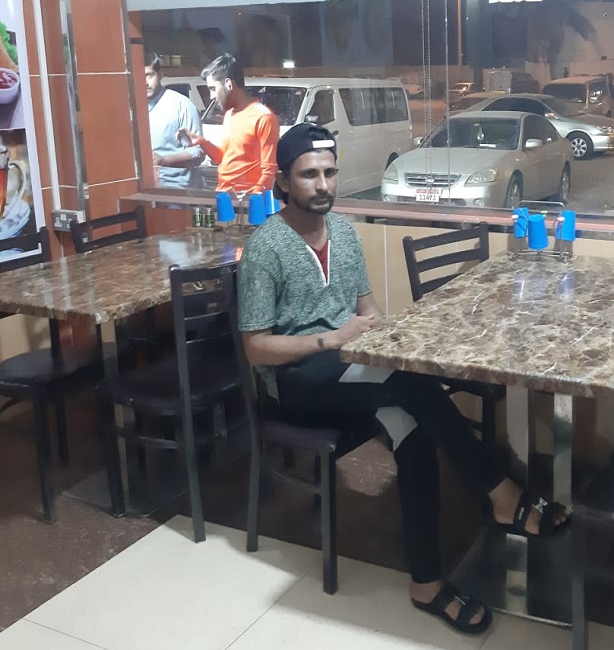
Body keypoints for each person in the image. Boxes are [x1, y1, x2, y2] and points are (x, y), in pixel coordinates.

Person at [237, 123, 569, 635]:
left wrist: (390, 337)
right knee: (410, 384)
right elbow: (256, 347)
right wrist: (333, 338)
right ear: (283, 182)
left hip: (348, 368)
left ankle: (426, 583)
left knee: (412, 432)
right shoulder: (266, 247)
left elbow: (369, 312)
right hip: (295, 381)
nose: (322, 185)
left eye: (329, 173)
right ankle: (500, 492)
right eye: (308, 175)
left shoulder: (344, 232)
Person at [178, 52, 279, 194]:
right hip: (224, 194)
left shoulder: (264, 117)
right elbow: (223, 158)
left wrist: (251, 201)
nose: (212, 96)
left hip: (246, 200)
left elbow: (269, 172)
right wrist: (202, 142)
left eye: (213, 89)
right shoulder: (230, 115)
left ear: (229, 84)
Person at [144, 52, 204, 188]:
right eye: (139, 77)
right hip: (142, 188)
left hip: (175, 188)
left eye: (149, 75)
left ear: (160, 75)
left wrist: (164, 160)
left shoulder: (181, 105)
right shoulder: (130, 107)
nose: (145, 83)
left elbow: (198, 152)